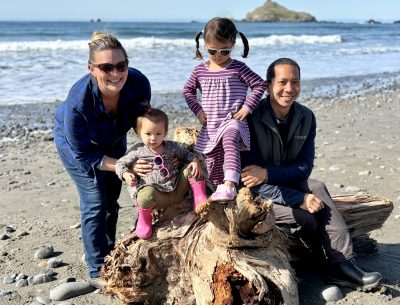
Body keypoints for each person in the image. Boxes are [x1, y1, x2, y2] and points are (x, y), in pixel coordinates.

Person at [241, 58, 382, 291]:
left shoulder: (306, 117)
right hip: (255, 196)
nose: (289, 89)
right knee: (305, 216)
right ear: (267, 85)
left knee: (317, 186)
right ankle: (324, 263)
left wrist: (268, 173)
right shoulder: (250, 118)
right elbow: (250, 182)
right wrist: (299, 199)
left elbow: (305, 167)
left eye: (295, 82)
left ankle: (343, 264)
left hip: (281, 181)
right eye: (282, 82)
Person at [53, 32, 151, 283]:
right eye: (106, 67)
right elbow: (83, 154)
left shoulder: (139, 83)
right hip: (78, 146)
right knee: (96, 200)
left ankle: (109, 253)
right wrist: (122, 165)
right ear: (92, 69)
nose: (115, 74)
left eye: (121, 66)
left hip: (114, 140)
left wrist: (152, 154)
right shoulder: (78, 103)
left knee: (112, 198)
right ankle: (97, 268)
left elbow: (142, 124)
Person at [183, 17, 266, 202]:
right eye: (212, 51)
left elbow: (260, 85)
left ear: (233, 44)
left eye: (225, 51)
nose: (218, 55)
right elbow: (187, 90)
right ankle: (218, 192)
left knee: (230, 142)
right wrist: (197, 110)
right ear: (205, 45)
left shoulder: (238, 68)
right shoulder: (200, 71)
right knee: (213, 163)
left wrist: (247, 107)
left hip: (232, 120)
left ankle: (230, 184)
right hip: (211, 124)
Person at [115, 108, 207, 239]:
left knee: (191, 168)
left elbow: (188, 154)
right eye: (148, 134)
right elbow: (119, 164)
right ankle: (144, 220)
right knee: (145, 194)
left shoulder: (171, 146)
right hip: (157, 198)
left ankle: (200, 200)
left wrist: (195, 161)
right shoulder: (138, 150)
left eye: (158, 133)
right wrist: (125, 174)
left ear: (165, 132)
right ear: (138, 132)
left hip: (176, 189)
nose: (153, 138)